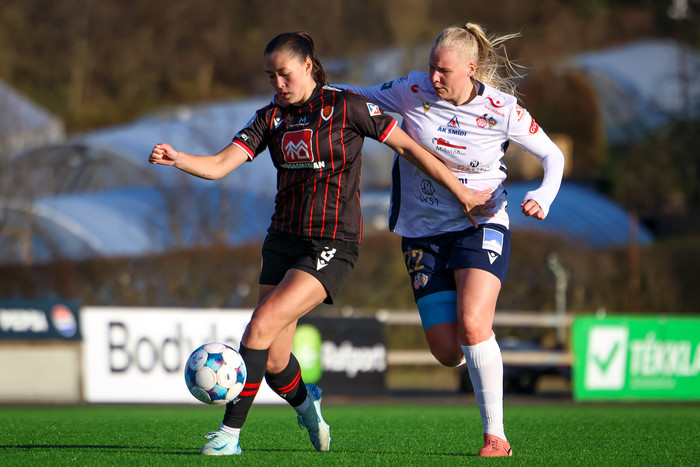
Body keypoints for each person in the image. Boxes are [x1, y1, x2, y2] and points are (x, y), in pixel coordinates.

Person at [149, 31, 492, 456]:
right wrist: (178, 158)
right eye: (271, 76)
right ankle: (307, 404)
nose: (278, 84)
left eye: (285, 74)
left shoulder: (347, 106)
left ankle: (229, 435)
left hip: (331, 243)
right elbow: (220, 165)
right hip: (281, 241)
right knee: (275, 361)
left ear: (309, 65)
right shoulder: (270, 118)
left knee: (258, 327)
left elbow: (410, 148)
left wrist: (461, 191)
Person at [337, 23, 565, 457]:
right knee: (447, 350)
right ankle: (477, 351)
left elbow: (552, 155)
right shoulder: (412, 90)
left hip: (482, 224)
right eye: (431, 67)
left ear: (471, 69)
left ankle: (496, 436)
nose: (434, 77)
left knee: (474, 323)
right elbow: (356, 94)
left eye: (443, 70)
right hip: (423, 231)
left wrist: (544, 195)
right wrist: (310, 87)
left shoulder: (502, 109)